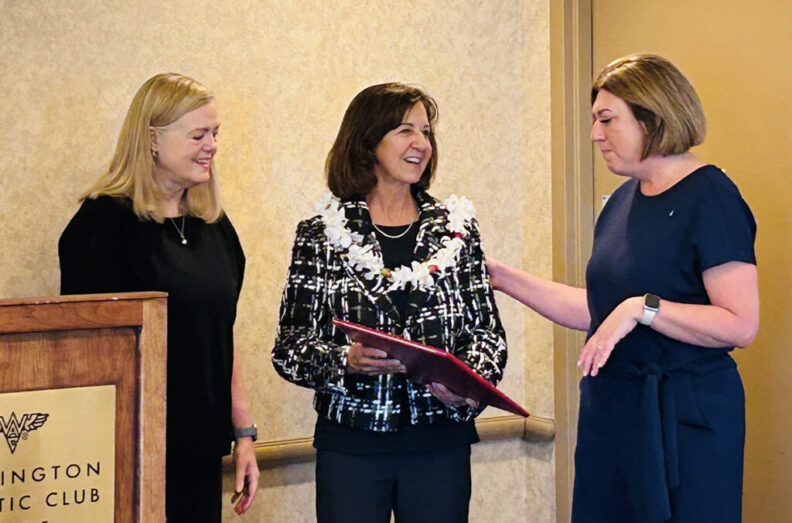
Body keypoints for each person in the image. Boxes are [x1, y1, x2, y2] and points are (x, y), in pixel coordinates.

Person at [488, 53, 759, 522]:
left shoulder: (712, 196)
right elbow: (601, 313)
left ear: (652, 117)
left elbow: (740, 324)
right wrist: (500, 276)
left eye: (607, 119)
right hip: (614, 412)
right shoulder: (621, 201)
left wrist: (643, 308)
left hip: (685, 418)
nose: (595, 134)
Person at [271, 82, 507, 523]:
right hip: (351, 446)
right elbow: (289, 347)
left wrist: (468, 381)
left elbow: (487, 333)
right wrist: (345, 360)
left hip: (440, 441)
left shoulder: (457, 230)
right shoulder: (320, 234)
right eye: (405, 130)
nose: (422, 143)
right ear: (368, 142)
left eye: (426, 132)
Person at [58, 73, 259, 522]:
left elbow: (222, 335)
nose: (212, 146)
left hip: (201, 451)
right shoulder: (103, 224)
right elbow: (82, 356)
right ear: (152, 138)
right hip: (126, 453)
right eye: (198, 135)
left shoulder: (214, 226)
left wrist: (244, 433)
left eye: (215, 133)